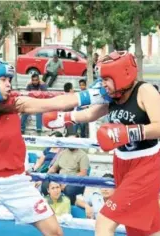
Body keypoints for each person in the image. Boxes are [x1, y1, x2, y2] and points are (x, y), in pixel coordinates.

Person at [0, 58, 110, 236]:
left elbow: (55, 103)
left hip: (17, 183)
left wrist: (90, 95)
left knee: (55, 233)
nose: (9, 84)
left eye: (9, 79)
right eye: (3, 80)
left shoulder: (15, 104)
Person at [42, 51, 160, 236]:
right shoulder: (112, 95)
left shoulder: (145, 91)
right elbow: (90, 114)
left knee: (104, 221)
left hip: (146, 165)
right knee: (143, 229)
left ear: (123, 74)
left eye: (107, 78)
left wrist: (129, 132)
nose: (103, 83)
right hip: (122, 163)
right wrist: (64, 118)